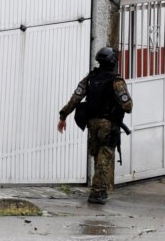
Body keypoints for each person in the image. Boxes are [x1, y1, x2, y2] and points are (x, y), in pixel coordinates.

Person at [57, 47, 133, 205]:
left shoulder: (90, 78)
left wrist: (63, 116)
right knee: (104, 156)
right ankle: (97, 192)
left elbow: (76, 97)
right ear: (113, 62)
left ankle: (101, 188)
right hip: (107, 124)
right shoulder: (116, 81)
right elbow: (128, 105)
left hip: (92, 123)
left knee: (97, 154)